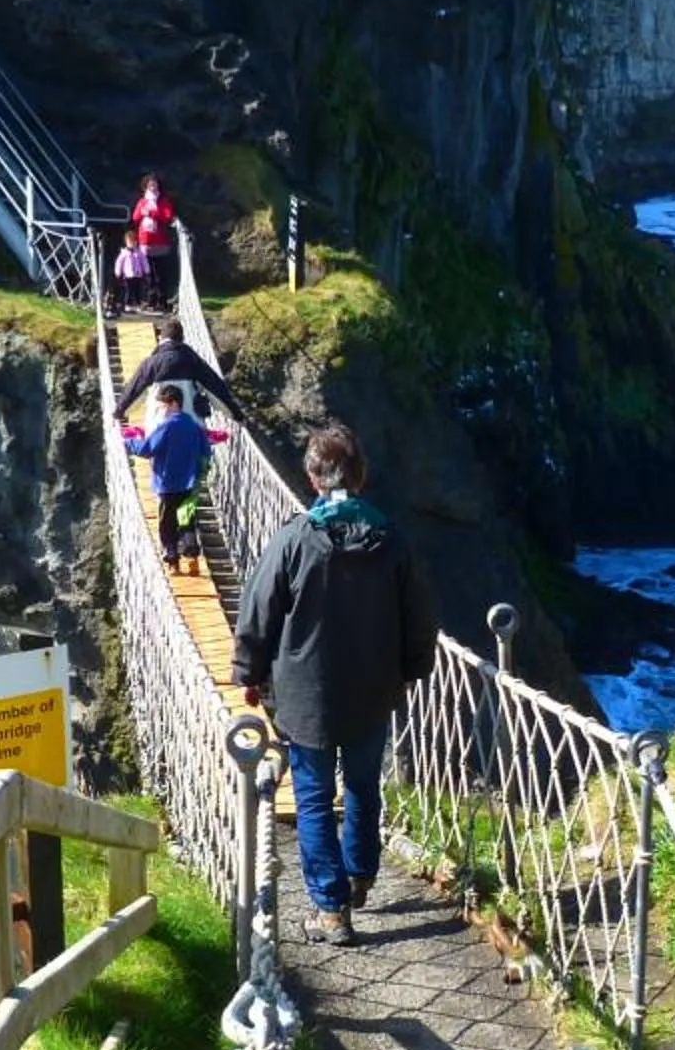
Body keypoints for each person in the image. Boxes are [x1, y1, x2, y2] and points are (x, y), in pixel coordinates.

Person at [233, 425, 438, 945]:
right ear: (362, 475)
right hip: (374, 690)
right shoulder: (392, 541)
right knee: (364, 787)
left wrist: (249, 673)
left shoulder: (294, 540)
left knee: (315, 798)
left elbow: (258, 611)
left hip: (307, 698)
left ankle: (331, 911)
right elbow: (419, 615)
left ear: (311, 477)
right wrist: (415, 667)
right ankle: (361, 875)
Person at [125, 384, 214, 575]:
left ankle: (173, 561)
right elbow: (206, 452)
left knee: (167, 524)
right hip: (189, 484)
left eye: (162, 406)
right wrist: (200, 473)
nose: (160, 411)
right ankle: (192, 559)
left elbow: (146, 449)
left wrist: (128, 441)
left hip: (167, 484)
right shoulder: (194, 426)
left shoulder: (166, 427)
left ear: (174, 404)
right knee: (187, 520)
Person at [114, 318, 245, 425]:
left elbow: (132, 393)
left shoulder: (150, 363)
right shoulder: (194, 361)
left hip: (160, 428)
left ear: (160, 338)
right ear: (182, 339)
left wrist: (119, 413)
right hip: (191, 429)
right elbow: (217, 390)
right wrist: (236, 415)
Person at [130, 173, 178, 310]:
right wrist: (144, 211)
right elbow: (135, 217)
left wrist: (151, 213)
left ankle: (162, 300)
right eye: (150, 185)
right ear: (145, 186)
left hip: (160, 242)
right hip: (145, 242)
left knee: (161, 274)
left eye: (155, 184)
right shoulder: (142, 201)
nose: (152, 187)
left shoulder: (163, 201)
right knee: (148, 273)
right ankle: (151, 300)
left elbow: (167, 217)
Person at [109, 232, 148, 318]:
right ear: (126, 242)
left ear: (136, 242)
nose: (132, 244)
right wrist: (118, 272)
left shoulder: (139, 252)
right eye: (130, 242)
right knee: (128, 291)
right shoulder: (124, 253)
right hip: (128, 275)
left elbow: (144, 261)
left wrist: (146, 270)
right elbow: (119, 263)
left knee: (138, 290)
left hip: (138, 275)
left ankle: (138, 304)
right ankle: (127, 305)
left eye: (133, 242)